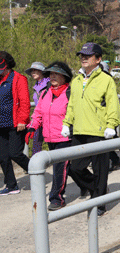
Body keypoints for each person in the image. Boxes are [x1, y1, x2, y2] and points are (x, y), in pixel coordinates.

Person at [62, 43, 120, 216]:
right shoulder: (77, 80)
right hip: (79, 131)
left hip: (98, 131)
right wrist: (67, 123)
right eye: (82, 55)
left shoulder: (106, 79)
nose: (84, 58)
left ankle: (99, 203)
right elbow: (71, 104)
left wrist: (111, 125)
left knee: (100, 170)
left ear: (98, 59)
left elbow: (112, 105)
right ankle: (98, 191)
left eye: (88, 55)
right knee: (75, 168)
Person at [28, 62, 73, 210]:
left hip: (64, 137)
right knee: (67, 168)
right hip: (50, 137)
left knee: (60, 168)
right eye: (51, 74)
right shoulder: (46, 93)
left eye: (56, 74)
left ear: (64, 77)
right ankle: (90, 185)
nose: (52, 77)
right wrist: (32, 127)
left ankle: (56, 198)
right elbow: (38, 112)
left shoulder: (69, 93)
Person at [0, 51, 30, 196]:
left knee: (15, 153)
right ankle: (11, 185)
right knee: (2, 157)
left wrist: (22, 120)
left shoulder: (19, 79)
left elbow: (24, 102)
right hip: (1, 125)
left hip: (15, 124)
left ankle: (36, 170)